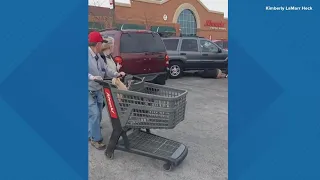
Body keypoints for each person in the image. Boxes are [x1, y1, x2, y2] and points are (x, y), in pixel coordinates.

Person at [88, 31, 125, 150]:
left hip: (98, 89)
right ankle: (96, 140)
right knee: (95, 114)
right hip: (88, 90)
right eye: (101, 43)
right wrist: (91, 77)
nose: (102, 46)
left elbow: (106, 68)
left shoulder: (98, 56)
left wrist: (116, 74)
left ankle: (90, 134)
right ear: (97, 44)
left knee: (97, 115)